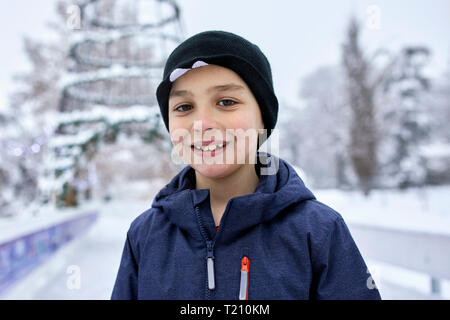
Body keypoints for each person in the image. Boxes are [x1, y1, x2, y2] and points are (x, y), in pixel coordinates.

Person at [111, 30, 382, 300]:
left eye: (226, 102)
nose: (202, 124)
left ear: (263, 118)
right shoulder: (144, 236)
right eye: (184, 107)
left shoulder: (318, 230)